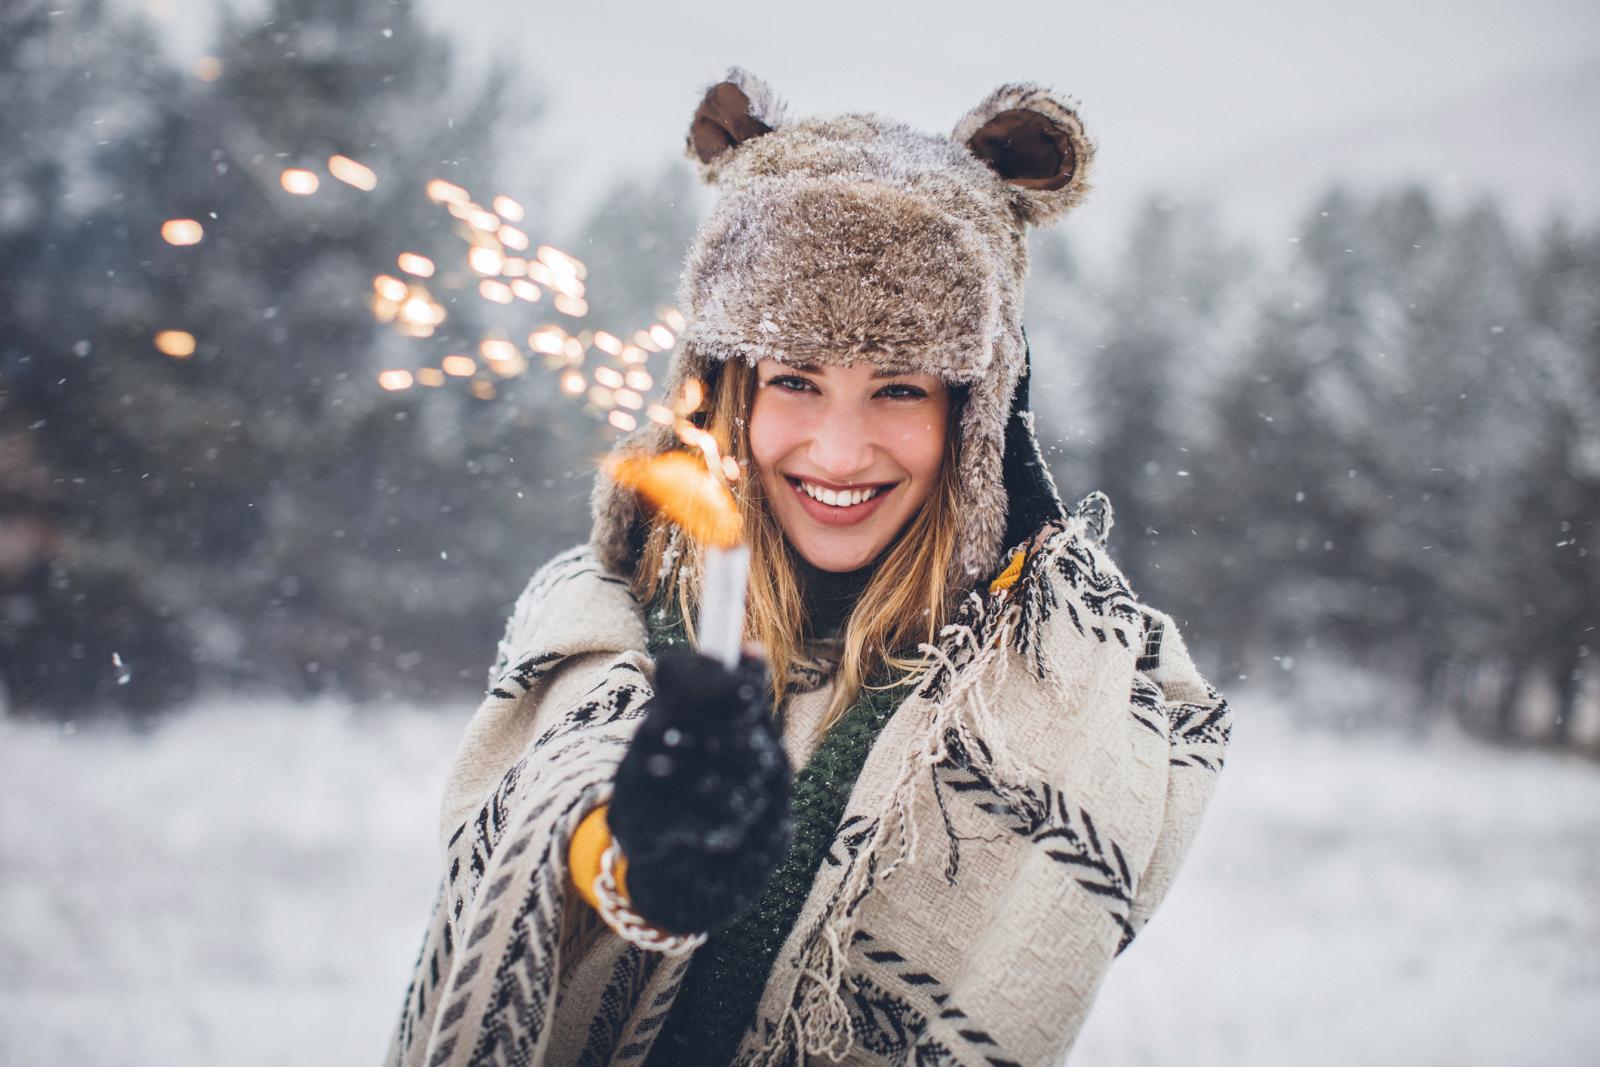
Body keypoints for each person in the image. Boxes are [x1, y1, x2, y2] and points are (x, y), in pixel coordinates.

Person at [386, 68, 1232, 1067]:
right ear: (724, 389)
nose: (839, 451)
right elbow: (544, 855)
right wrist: (648, 866)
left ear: (974, 414)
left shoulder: (1069, 684)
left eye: (897, 389)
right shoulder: (599, 621)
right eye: (794, 379)